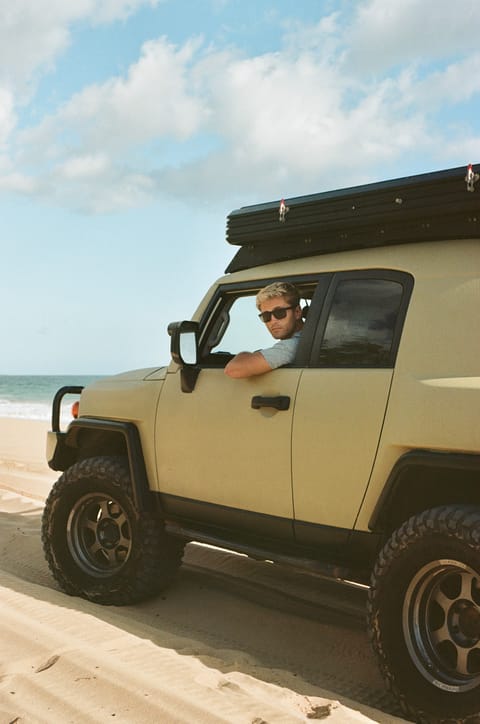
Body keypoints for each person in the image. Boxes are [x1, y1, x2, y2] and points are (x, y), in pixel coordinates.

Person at [224, 281, 303, 379]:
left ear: (297, 312)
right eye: (266, 316)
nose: (273, 321)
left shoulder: (295, 345)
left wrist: (243, 354)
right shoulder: (307, 340)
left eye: (279, 312)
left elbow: (233, 370)